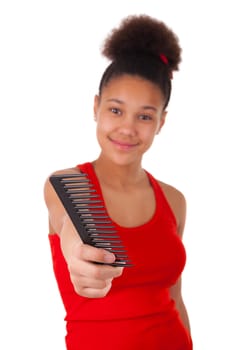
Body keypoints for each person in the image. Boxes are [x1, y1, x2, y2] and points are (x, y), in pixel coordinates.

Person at [44, 14, 193, 350]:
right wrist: (79, 256)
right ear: (96, 107)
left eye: (144, 115)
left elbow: (175, 296)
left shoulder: (174, 200)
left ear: (161, 122)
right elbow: (71, 225)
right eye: (115, 110)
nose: (127, 128)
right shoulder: (69, 183)